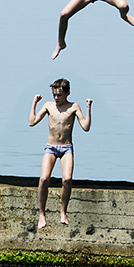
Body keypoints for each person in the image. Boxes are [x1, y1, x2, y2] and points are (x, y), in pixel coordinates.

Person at [29, 79, 92, 229]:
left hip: (66, 148)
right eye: (54, 94)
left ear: (67, 93)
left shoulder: (73, 107)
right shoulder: (49, 106)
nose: (56, 98)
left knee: (67, 179)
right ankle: (42, 214)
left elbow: (86, 127)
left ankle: (63, 212)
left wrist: (88, 108)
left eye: (59, 95)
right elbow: (32, 122)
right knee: (44, 179)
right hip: (50, 147)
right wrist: (34, 103)